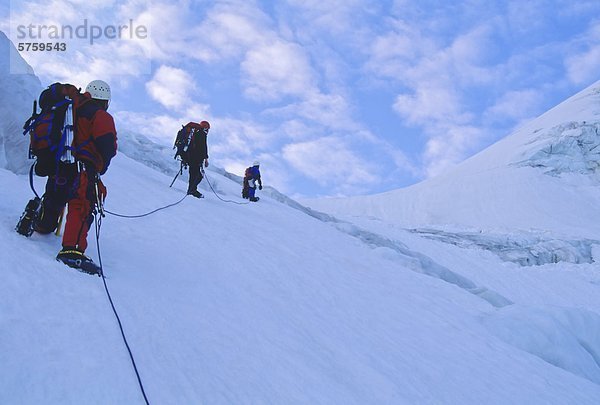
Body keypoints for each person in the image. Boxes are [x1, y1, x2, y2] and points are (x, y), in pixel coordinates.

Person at [35, 80, 117, 274]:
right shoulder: (100, 115)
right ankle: (72, 251)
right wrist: (100, 166)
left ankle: (42, 224)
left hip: (60, 165)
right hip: (82, 170)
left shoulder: (69, 106)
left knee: (55, 198)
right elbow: (107, 145)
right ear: (105, 100)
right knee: (82, 205)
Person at [179, 121, 209, 198]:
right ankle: (192, 190)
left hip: (190, 157)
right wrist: (205, 159)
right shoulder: (202, 134)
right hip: (196, 158)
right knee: (197, 175)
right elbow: (203, 147)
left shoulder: (195, 133)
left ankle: (191, 189)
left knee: (194, 174)